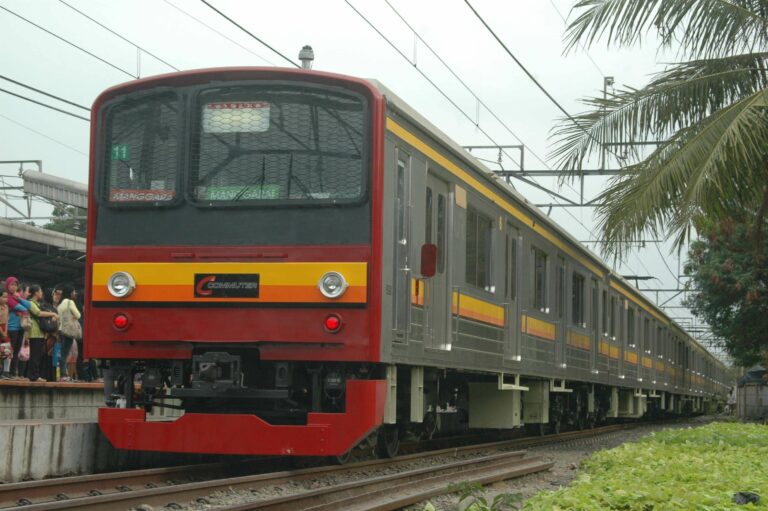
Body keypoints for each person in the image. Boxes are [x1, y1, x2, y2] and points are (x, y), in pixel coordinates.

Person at [25, 285, 58, 382]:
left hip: (39, 332)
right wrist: (53, 314)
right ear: (35, 293)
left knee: (37, 355)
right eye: (40, 292)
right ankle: (33, 376)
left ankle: (33, 375)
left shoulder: (37, 303)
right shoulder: (31, 303)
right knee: (35, 355)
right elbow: (38, 313)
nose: (41, 294)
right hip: (34, 332)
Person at [5, 277, 31, 379]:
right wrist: (21, 306)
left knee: (16, 351)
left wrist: (19, 299)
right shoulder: (7, 297)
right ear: (7, 286)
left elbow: (28, 305)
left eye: (16, 285)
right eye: (12, 284)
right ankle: (6, 372)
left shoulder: (17, 296)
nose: (14, 287)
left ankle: (12, 373)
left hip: (20, 328)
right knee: (9, 351)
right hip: (11, 328)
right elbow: (22, 308)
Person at [57, 285, 81, 382]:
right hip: (69, 330)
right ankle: (63, 375)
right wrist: (74, 317)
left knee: (63, 352)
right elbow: (78, 315)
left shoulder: (60, 303)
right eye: (74, 291)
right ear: (70, 293)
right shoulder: (70, 302)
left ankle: (64, 374)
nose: (75, 293)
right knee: (65, 353)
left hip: (61, 330)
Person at [0, 290, 10, 379]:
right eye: (3, 297)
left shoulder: (6, 307)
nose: (5, 299)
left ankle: (6, 372)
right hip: (0, 329)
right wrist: (1, 332)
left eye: (7, 297)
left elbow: (6, 320)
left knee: (7, 351)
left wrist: (5, 331)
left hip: (4, 329)